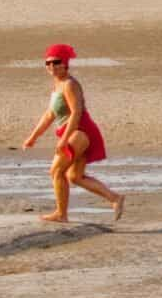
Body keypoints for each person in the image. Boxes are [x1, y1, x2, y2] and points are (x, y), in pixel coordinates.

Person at [21, 43, 124, 224]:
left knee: (56, 171)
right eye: (48, 63)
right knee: (74, 176)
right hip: (74, 131)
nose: (52, 66)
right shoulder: (57, 85)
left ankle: (61, 214)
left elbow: (76, 113)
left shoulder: (69, 84)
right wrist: (33, 137)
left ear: (65, 63)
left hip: (80, 131)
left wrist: (65, 139)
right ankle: (115, 198)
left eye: (56, 62)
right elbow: (50, 114)